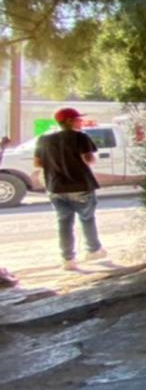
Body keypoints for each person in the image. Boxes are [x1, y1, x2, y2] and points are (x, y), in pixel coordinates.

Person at [34, 108, 107, 271]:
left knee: (64, 222)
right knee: (87, 218)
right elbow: (89, 159)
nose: (80, 122)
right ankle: (93, 249)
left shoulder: (44, 139)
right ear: (68, 121)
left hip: (55, 187)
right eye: (77, 119)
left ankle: (68, 260)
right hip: (80, 185)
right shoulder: (80, 137)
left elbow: (37, 163)